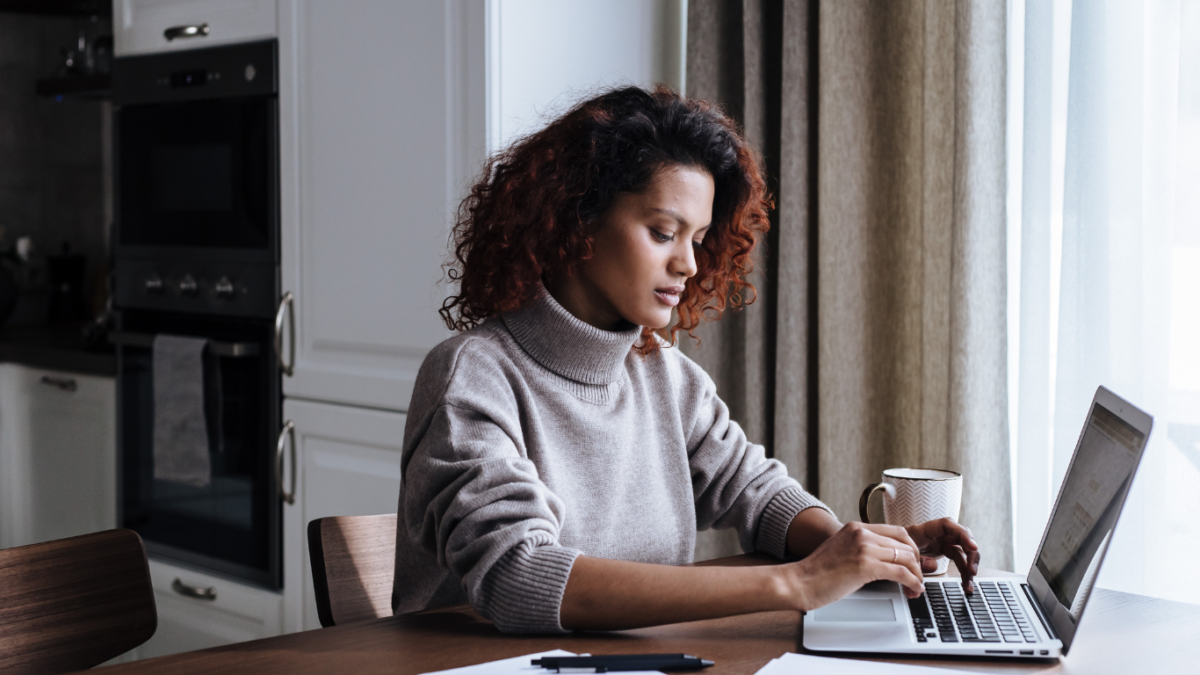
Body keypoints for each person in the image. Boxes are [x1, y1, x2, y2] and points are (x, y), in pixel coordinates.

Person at [391, 85, 980, 633]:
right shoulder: (472, 376)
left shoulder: (664, 376)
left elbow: (752, 488)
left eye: (697, 239)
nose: (689, 265)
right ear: (577, 220)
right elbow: (518, 575)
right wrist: (796, 583)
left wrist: (860, 550)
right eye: (662, 232)